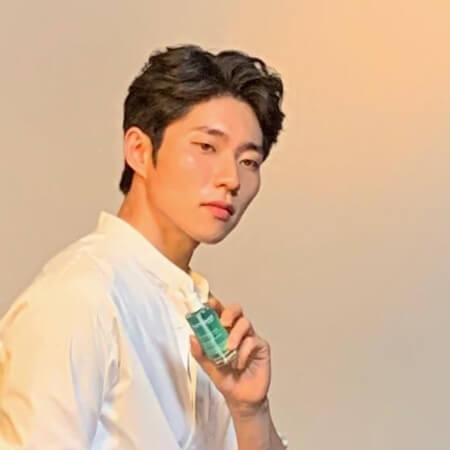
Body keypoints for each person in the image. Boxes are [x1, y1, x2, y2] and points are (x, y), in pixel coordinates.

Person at [0, 45, 287, 449]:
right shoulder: (79, 298)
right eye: (206, 147)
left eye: (249, 161)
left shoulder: (201, 313)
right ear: (139, 150)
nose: (231, 179)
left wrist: (249, 411)